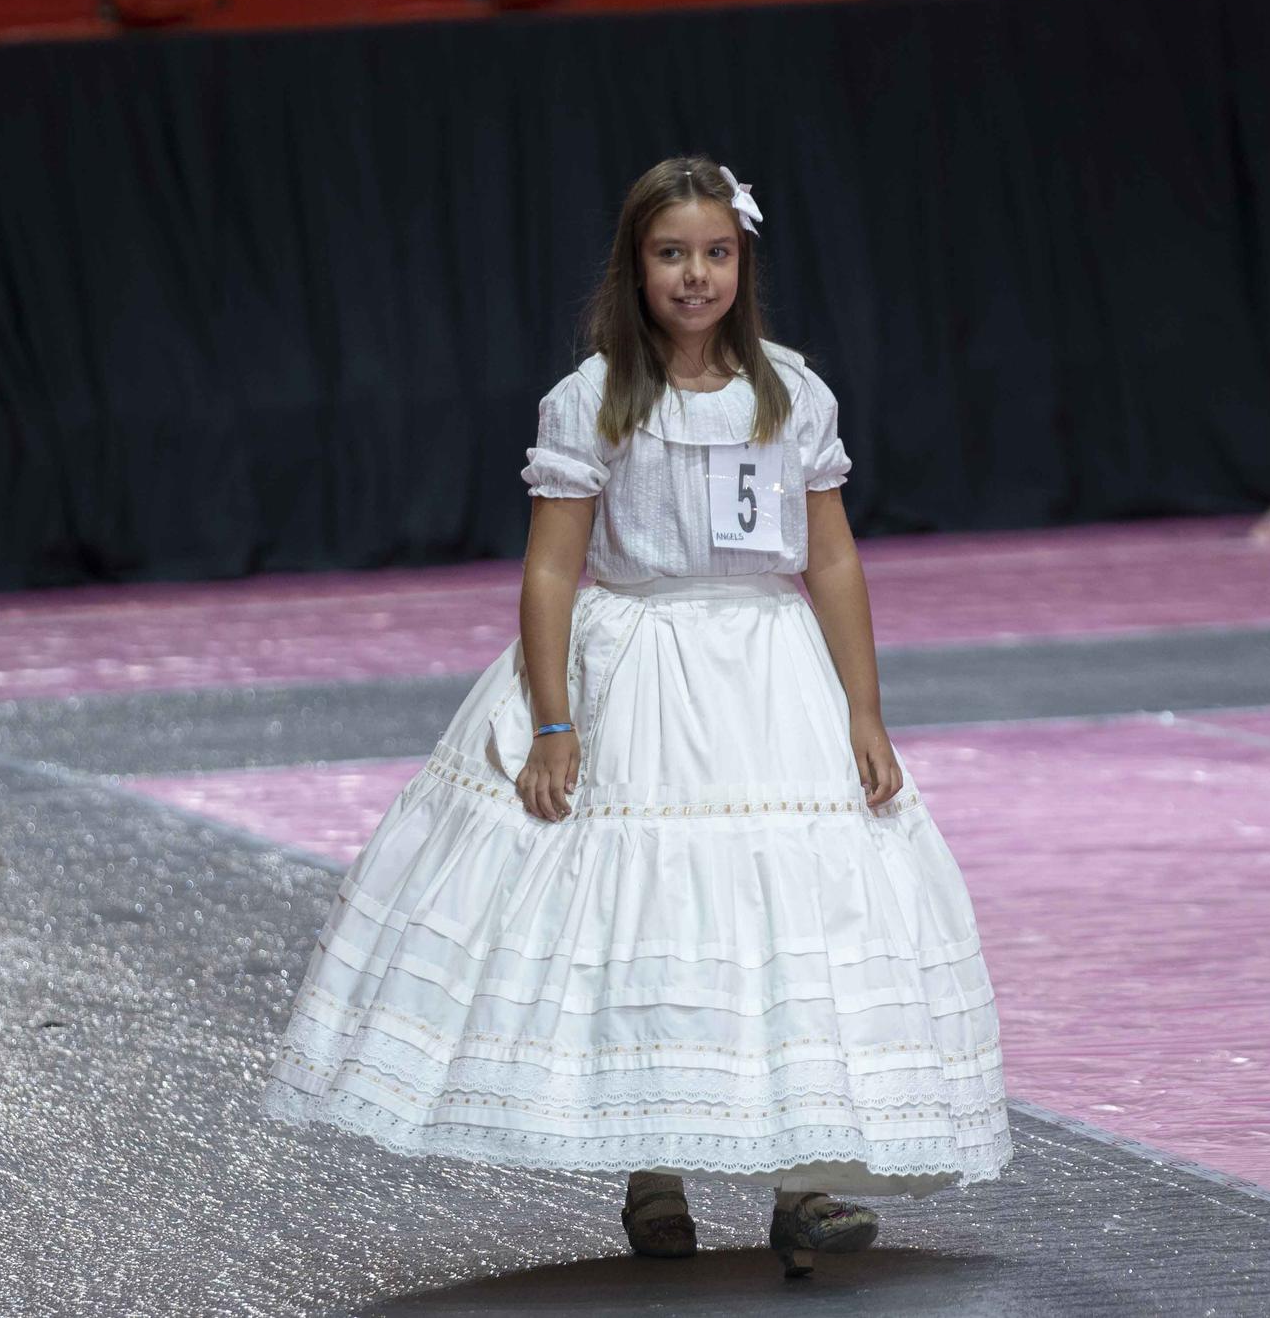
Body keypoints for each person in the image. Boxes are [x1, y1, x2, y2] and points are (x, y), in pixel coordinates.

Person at [261, 156, 1010, 1277]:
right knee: (642, 911)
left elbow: (833, 558)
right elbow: (553, 573)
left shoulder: (792, 393)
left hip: (765, 677)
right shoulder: (592, 399)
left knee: (784, 909)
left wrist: (864, 709)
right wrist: (554, 722)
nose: (694, 275)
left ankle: (803, 1180)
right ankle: (651, 1166)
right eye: (671, 254)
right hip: (640, 674)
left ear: (740, 262)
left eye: (714, 253)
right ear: (636, 265)